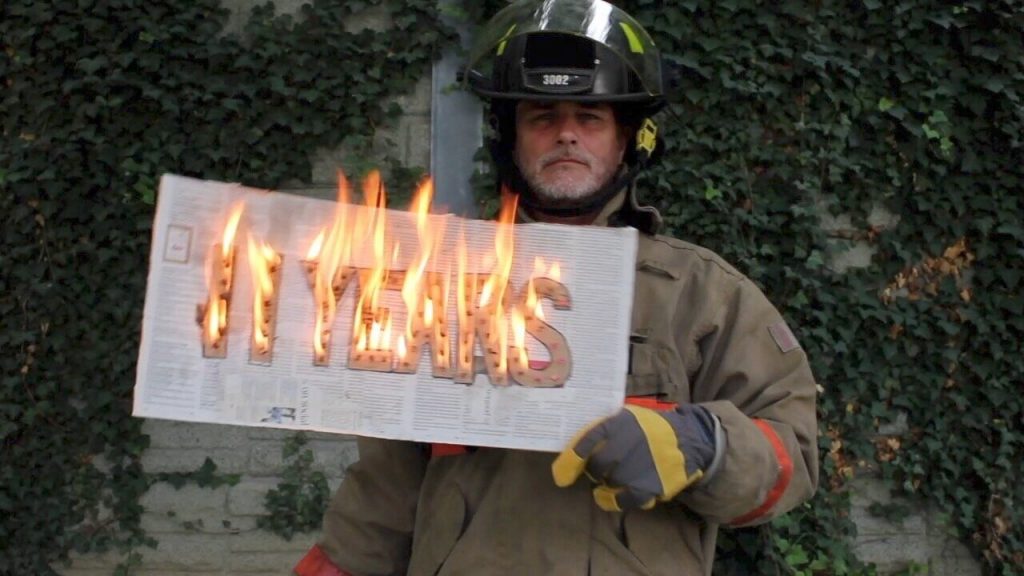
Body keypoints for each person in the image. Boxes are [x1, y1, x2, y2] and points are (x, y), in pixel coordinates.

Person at [295, 1, 818, 574]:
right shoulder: (442, 286)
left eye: (590, 117)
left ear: (625, 141)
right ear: (509, 139)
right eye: (542, 116)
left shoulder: (702, 295)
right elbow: (385, 490)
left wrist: (705, 445)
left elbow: (790, 455)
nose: (566, 134)